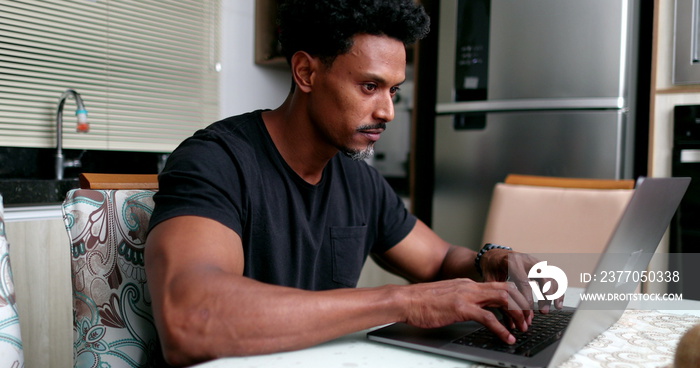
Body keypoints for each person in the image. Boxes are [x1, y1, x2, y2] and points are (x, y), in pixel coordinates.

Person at [145, 1, 561, 366]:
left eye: (394, 91)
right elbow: (191, 319)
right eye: (369, 86)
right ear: (306, 72)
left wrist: (488, 259)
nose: (388, 112)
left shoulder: (358, 180)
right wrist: (404, 301)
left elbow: (439, 258)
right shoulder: (215, 161)